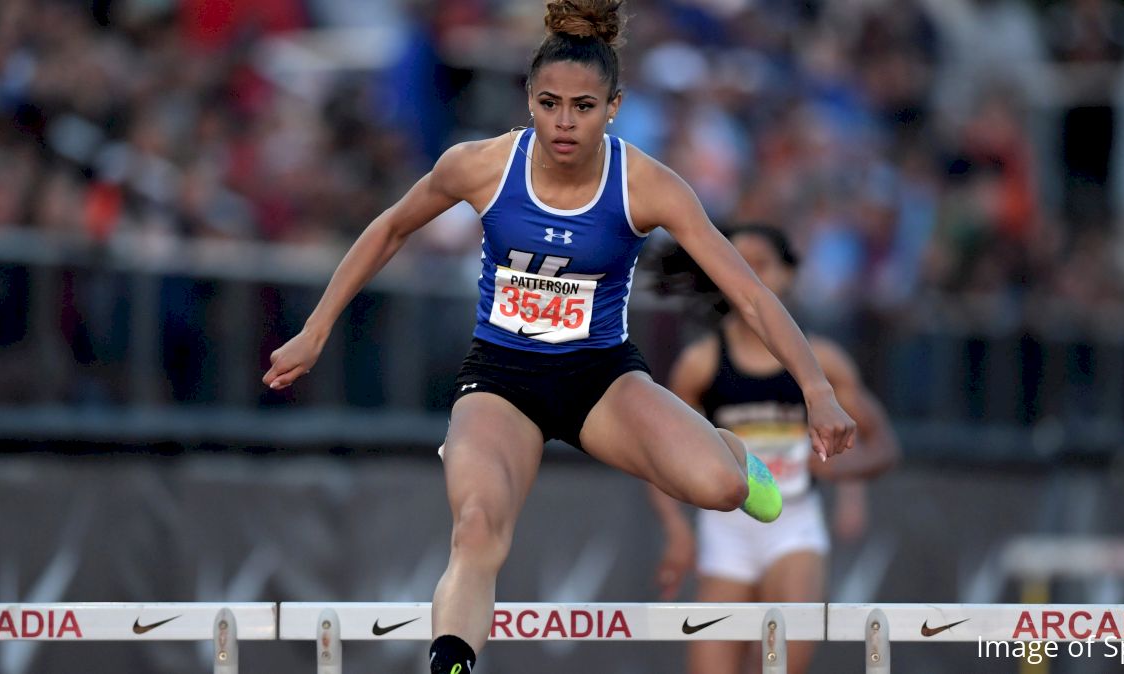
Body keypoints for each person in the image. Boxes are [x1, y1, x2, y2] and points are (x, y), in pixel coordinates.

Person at [262, 3, 857, 672]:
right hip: (501, 380)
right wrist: (315, 330)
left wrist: (816, 390)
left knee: (723, 489)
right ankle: (450, 665)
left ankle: (726, 450)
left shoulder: (645, 185)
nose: (564, 123)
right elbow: (391, 228)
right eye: (549, 104)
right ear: (529, 100)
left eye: (582, 107)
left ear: (614, 107)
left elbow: (747, 291)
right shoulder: (481, 166)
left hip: (599, 378)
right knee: (477, 529)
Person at [648, 224, 900, 674]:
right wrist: (676, 529)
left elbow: (881, 445)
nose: (747, 275)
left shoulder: (820, 361)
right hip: (725, 530)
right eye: (736, 264)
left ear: (787, 274)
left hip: (795, 526)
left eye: (760, 264)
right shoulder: (701, 363)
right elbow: (660, 457)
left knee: (782, 664)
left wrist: (845, 481)